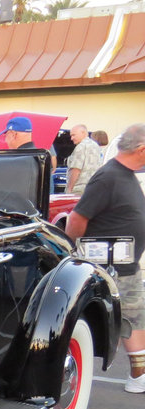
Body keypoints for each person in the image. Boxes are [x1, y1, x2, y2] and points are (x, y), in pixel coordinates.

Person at [65, 124, 145, 393]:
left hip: (126, 267)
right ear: (142, 149)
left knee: (134, 318)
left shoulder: (125, 175)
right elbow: (77, 218)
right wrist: (73, 249)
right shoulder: (108, 176)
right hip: (110, 268)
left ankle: (139, 374)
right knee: (114, 321)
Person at [65, 124, 102, 194]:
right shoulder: (96, 146)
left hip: (79, 189)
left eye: (74, 135)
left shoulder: (80, 147)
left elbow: (76, 169)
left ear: (83, 133)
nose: (71, 138)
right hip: (94, 187)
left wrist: (69, 189)